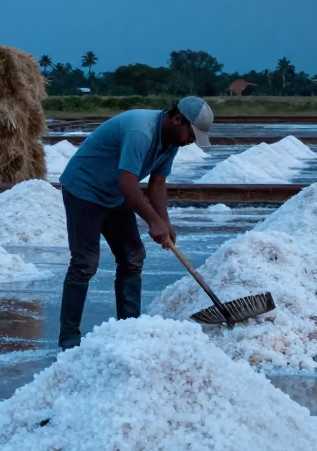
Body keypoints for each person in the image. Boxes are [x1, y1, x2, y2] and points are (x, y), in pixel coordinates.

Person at [57, 96, 214, 350]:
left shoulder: (171, 141)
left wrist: (165, 221)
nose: (190, 142)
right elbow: (128, 184)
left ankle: (128, 330)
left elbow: (157, 184)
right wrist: (153, 222)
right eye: (191, 135)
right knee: (85, 263)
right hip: (84, 190)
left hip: (113, 194)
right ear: (177, 119)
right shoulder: (140, 130)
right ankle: (69, 339)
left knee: (133, 256)